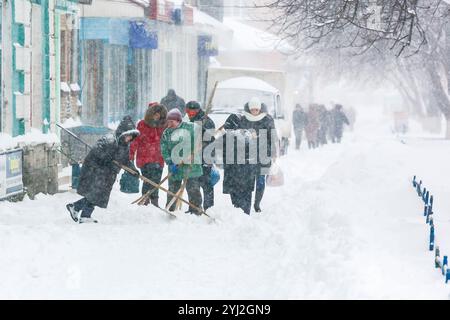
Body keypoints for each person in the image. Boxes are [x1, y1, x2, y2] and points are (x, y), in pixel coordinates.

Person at [66, 116, 140, 224]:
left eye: (131, 136)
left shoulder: (125, 146)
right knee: (96, 194)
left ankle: (79, 210)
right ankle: (80, 210)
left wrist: (133, 170)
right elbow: (96, 152)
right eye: (127, 135)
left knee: (97, 196)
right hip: (97, 172)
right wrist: (106, 158)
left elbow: (125, 161)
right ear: (122, 133)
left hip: (108, 174)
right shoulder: (109, 139)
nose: (129, 138)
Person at [235, 97, 277, 214]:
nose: (254, 111)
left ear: (260, 109)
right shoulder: (243, 120)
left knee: (260, 181)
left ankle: (257, 204)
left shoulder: (267, 119)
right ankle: (246, 206)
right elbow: (239, 135)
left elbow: (273, 136)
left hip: (264, 154)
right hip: (248, 155)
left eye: (256, 109)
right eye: (252, 109)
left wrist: (273, 151)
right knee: (247, 182)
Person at [160, 109, 204, 215]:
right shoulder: (167, 132)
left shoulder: (191, 128)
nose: (169, 124)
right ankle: (170, 209)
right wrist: (170, 162)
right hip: (175, 167)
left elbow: (200, 141)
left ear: (178, 120)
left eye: (172, 121)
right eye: (168, 121)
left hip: (191, 166)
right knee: (172, 189)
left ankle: (195, 210)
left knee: (193, 190)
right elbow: (164, 149)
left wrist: (192, 153)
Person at [129, 103, 168, 207]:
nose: (157, 116)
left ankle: (154, 201)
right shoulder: (142, 124)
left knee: (156, 181)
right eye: (155, 113)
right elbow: (135, 141)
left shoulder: (163, 126)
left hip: (159, 158)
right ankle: (146, 200)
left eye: (159, 114)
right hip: (145, 158)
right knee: (148, 179)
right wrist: (131, 155)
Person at [185, 101, 216, 212]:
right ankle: (194, 206)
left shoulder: (206, 120)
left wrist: (202, 129)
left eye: (192, 111)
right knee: (192, 183)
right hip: (194, 156)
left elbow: (210, 135)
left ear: (197, 110)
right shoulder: (189, 121)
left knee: (206, 182)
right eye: (188, 111)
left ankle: (209, 207)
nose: (190, 113)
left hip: (206, 155)